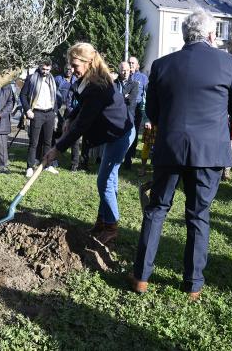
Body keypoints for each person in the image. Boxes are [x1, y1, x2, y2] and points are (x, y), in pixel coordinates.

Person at [131, 8, 232, 300]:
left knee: (157, 210)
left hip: (170, 147)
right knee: (198, 215)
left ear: (185, 35)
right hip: (208, 152)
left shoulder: (161, 64)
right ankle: (193, 284)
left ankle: (141, 277)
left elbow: (153, 112)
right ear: (210, 34)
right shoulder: (229, 63)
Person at [43, 42, 132, 244]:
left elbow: (82, 126)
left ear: (89, 62)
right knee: (108, 180)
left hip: (120, 134)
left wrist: (57, 149)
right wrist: (69, 117)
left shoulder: (98, 85)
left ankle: (111, 227)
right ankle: (103, 222)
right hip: (112, 133)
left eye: (75, 65)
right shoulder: (89, 80)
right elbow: (82, 105)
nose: (72, 70)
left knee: (104, 181)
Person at [20, 59, 58, 177]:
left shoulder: (52, 79)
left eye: (47, 69)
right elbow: (23, 95)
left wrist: (55, 112)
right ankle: (30, 167)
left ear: (50, 68)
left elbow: (55, 97)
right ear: (39, 67)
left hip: (49, 113)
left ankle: (47, 165)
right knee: (34, 142)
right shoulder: (31, 78)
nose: (45, 71)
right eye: (43, 69)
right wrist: (28, 110)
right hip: (36, 113)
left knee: (48, 142)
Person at [123, 56, 148, 169]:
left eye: (133, 63)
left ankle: (131, 154)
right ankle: (125, 154)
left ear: (137, 65)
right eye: (129, 62)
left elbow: (147, 91)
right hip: (125, 107)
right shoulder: (124, 75)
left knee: (134, 131)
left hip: (137, 108)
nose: (131, 64)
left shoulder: (143, 77)